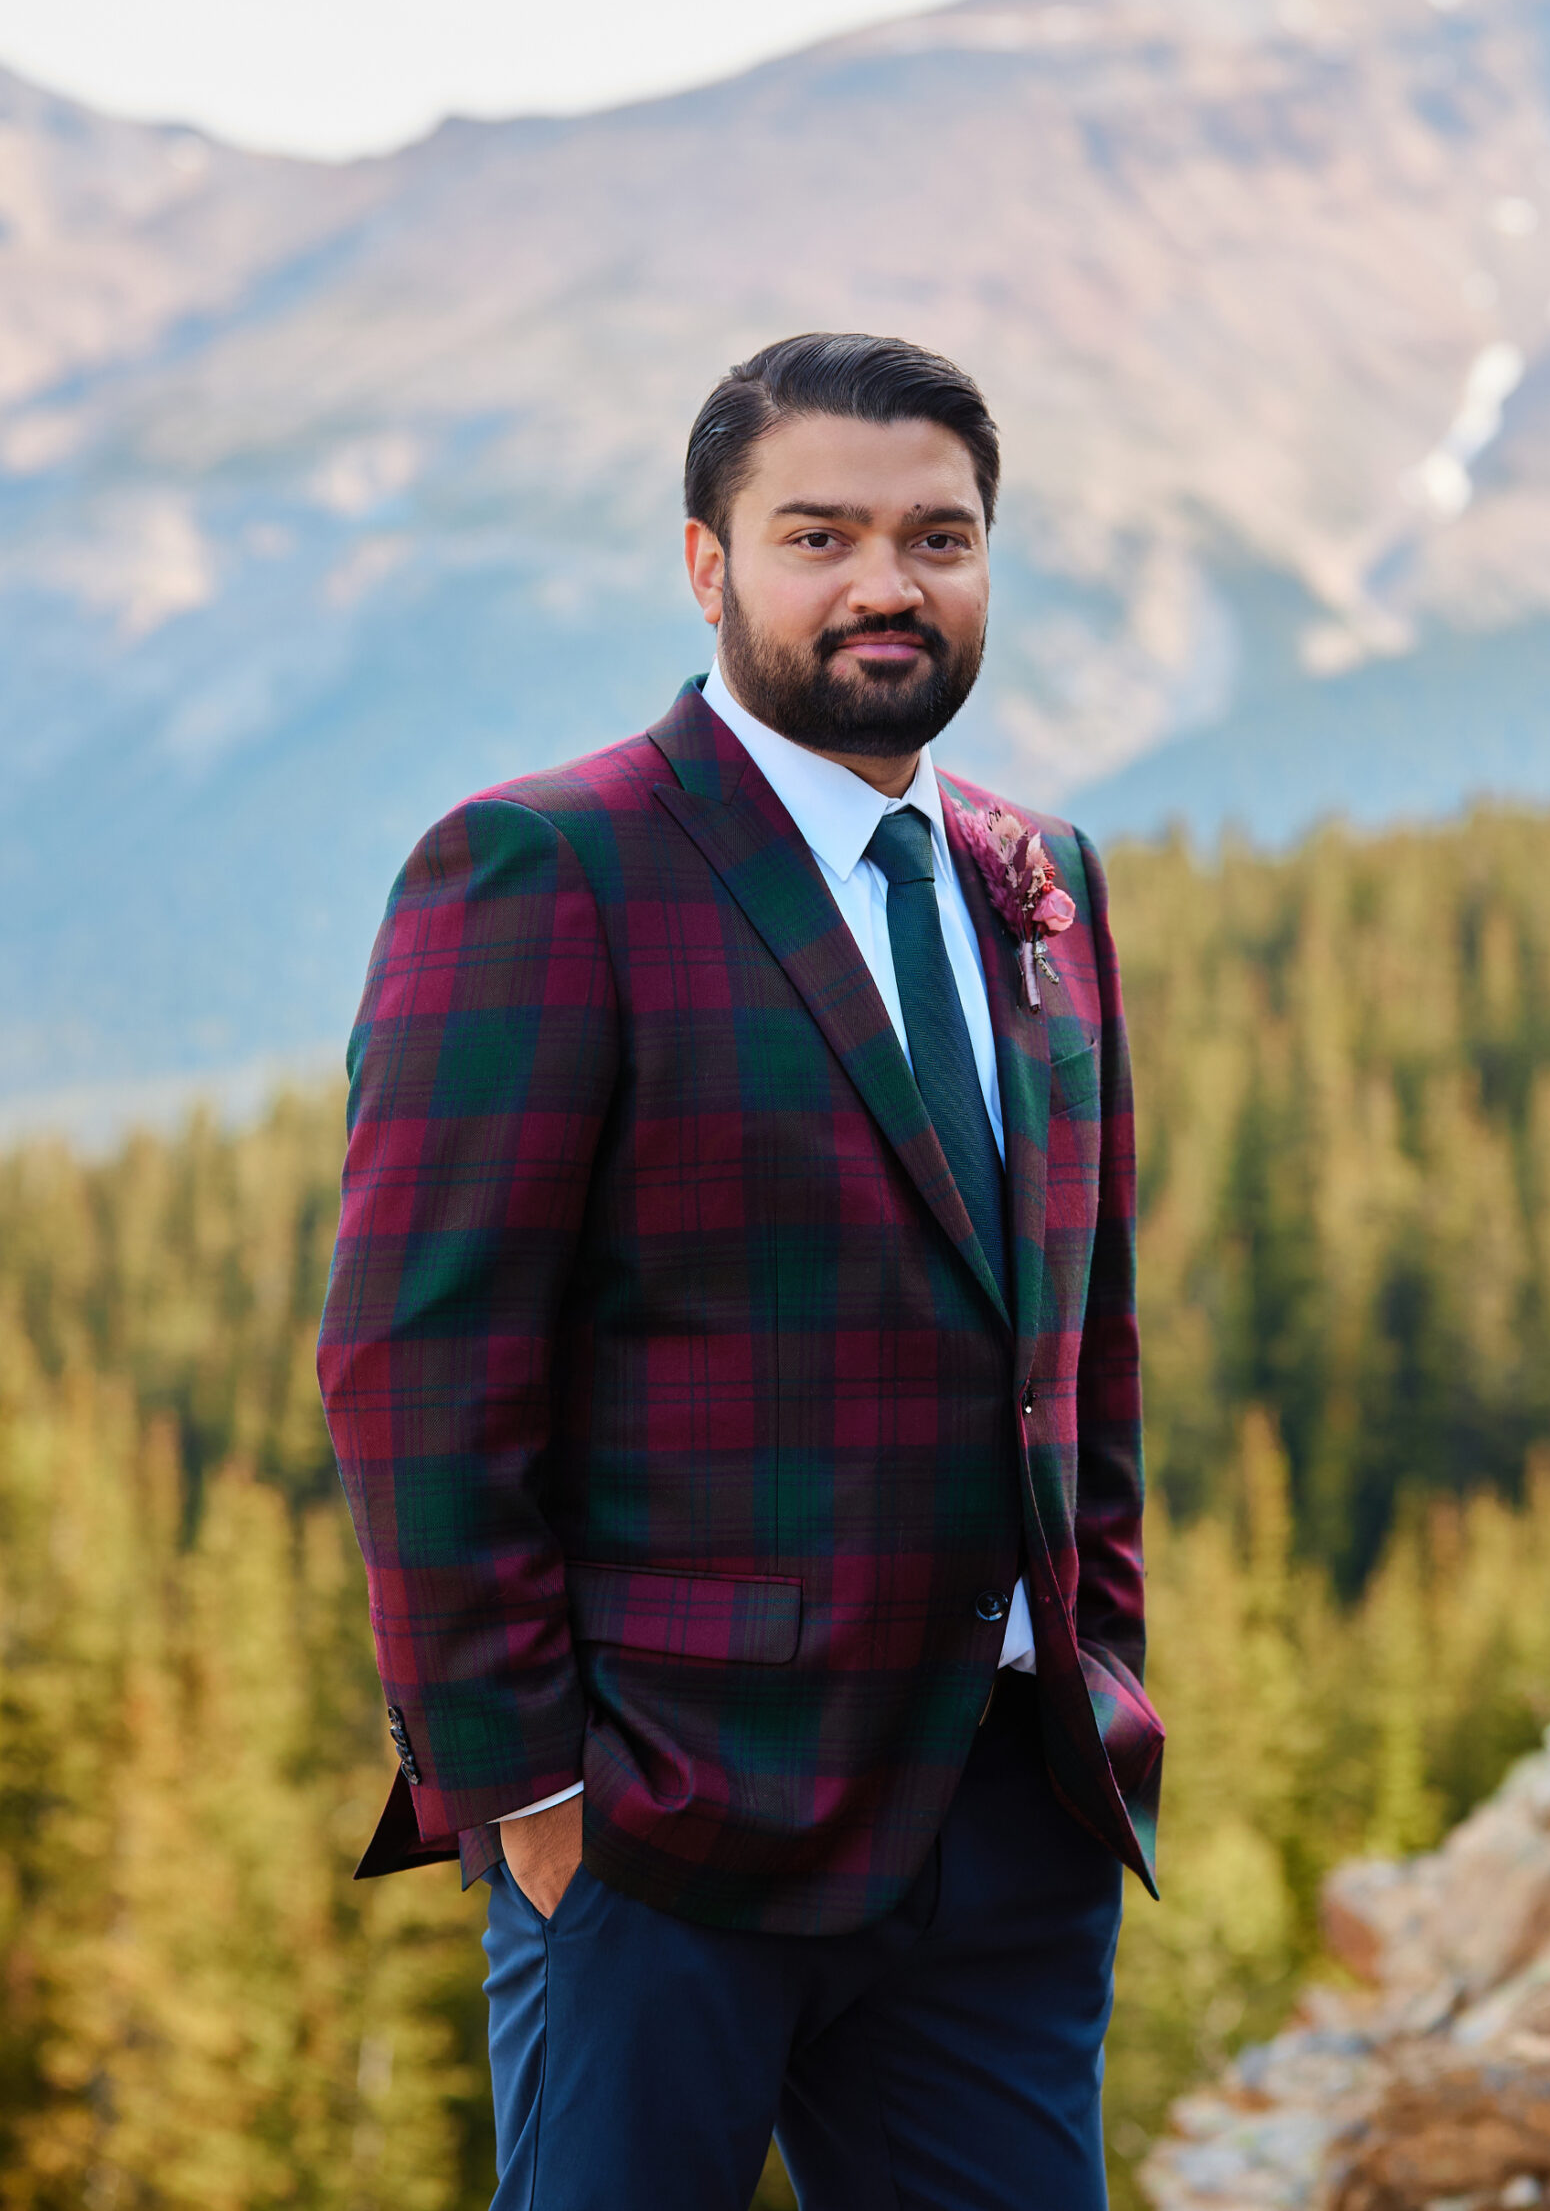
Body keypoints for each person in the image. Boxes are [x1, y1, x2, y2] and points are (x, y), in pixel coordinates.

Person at [317, 332, 1162, 2210]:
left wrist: (1094, 1654)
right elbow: (416, 1359)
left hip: (1011, 1822)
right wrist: (521, 1791)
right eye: (821, 535)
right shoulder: (547, 865)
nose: (886, 584)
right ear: (709, 566)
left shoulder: (1044, 877)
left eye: (938, 537)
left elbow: (1078, 1333)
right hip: (662, 1831)